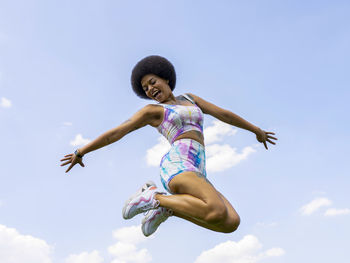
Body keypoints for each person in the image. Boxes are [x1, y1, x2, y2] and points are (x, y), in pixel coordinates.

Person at [60, 55, 277, 237]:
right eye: (145, 88)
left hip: (198, 167)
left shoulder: (190, 99)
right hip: (178, 163)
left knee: (230, 223)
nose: (150, 89)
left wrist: (255, 130)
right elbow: (117, 132)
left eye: (153, 82)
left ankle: (166, 207)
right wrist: (81, 151)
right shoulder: (153, 111)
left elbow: (224, 114)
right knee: (216, 211)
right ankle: (154, 197)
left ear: (165, 78)